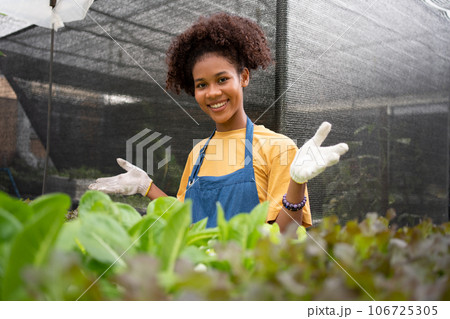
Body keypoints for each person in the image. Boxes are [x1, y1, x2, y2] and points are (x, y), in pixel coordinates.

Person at [89, 13, 348, 232]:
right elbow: (184, 221)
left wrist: (297, 183)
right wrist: (147, 187)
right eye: (202, 85)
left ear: (243, 77)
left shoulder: (277, 148)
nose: (212, 92)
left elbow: (285, 238)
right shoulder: (198, 153)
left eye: (222, 79)